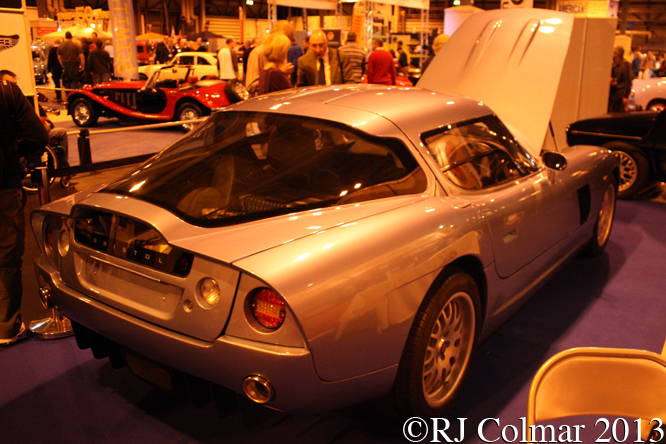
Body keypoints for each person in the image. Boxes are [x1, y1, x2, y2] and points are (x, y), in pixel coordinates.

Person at [0, 75, 50, 347]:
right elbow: (38, 135)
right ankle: (5, 326)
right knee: (6, 257)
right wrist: (14, 151)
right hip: (4, 185)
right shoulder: (6, 91)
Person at [246, 21, 296, 91]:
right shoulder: (257, 53)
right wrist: (279, 74)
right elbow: (250, 87)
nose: (291, 43)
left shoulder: (282, 54)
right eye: (290, 39)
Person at [609, 46, 632, 113]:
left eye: (614, 53)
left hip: (620, 94)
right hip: (613, 93)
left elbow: (628, 80)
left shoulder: (625, 65)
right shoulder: (613, 64)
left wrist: (625, 96)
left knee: (618, 113)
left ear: (617, 54)